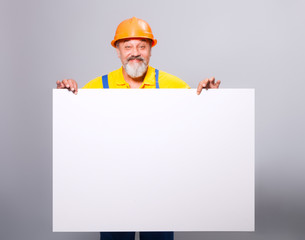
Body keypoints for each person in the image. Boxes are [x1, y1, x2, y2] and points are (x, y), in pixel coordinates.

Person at [56, 17, 221, 240]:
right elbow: (79, 133)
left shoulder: (172, 84)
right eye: (128, 47)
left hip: (160, 190)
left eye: (142, 46)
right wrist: (68, 97)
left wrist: (210, 98)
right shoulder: (97, 87)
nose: (135, 52)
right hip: (113, 191)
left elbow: (196, 126)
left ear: (151, 49)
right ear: (118, 50)